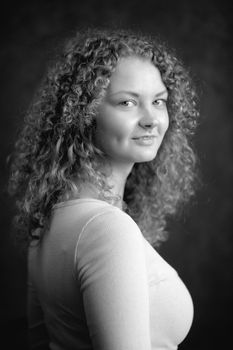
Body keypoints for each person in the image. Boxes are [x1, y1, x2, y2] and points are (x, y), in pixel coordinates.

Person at [8, 27, 199, 350]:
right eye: (127, 102)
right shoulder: (108, 228)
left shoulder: (48, 222)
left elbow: (39, 342)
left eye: (159, 101)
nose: (151, 119)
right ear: (84, 115)